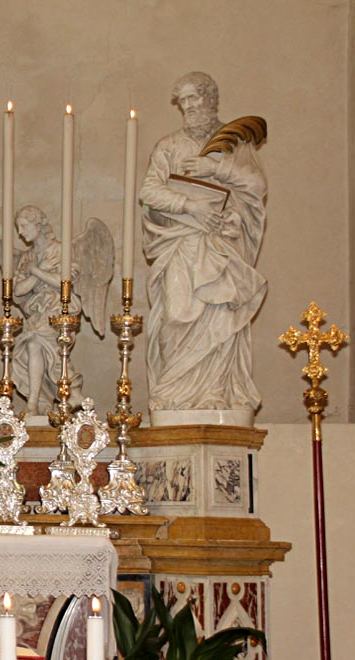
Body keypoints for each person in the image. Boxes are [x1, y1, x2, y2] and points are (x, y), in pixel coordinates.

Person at [139, 71, 267, 419]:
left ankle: (216, 392)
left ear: (211, 98)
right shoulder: (169, 146)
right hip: (181, 245)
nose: (189, 106)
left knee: (220, 313)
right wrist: (189, 205)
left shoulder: (235, 144)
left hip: (222, 245)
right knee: (177, 315)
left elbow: (255, 186)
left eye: (194, 98)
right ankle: (175, 393)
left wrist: (216, 169)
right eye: (183, 101)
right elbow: (149, 190)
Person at [10, 206, 87, 415]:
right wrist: (38, 273)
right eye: (18, 228)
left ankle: (37, 401)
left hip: (59, 312)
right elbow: (18, 290)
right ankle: (40, 401)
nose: (20, 232)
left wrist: (35, 271)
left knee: (41, 345)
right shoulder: (27, 256)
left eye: (24, 226)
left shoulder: (61, 251)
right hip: (37, 313)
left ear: (38, 225)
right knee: (32, 345)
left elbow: (64, 282)